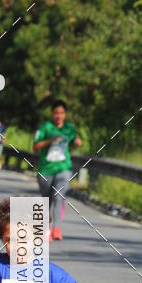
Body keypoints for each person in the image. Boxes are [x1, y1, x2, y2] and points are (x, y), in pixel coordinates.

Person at [32, 100, 81, 241]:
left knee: (59, 196)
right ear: (52, 114)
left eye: (62, 113)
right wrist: (50, 140)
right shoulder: (45, 128)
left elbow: (76, 140)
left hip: (64, 168)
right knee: (46, 198)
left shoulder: (69, 128)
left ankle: (57, 229)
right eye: (56, 113)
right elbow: (35, 147)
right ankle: (45, 228)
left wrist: (77, 142)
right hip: (46, 169)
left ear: (65, 114)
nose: (59, 116)